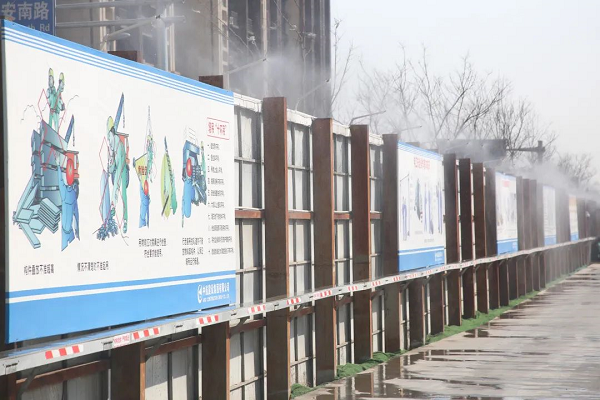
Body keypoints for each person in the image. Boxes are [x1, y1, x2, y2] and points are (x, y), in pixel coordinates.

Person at [58, 157, 79, 251]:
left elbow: (60, 181)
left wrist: (58, 165)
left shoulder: (64, 192)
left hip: (66, 232)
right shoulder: (73, 194)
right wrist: (78, 232)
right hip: (71, 231)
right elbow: (76, 215)